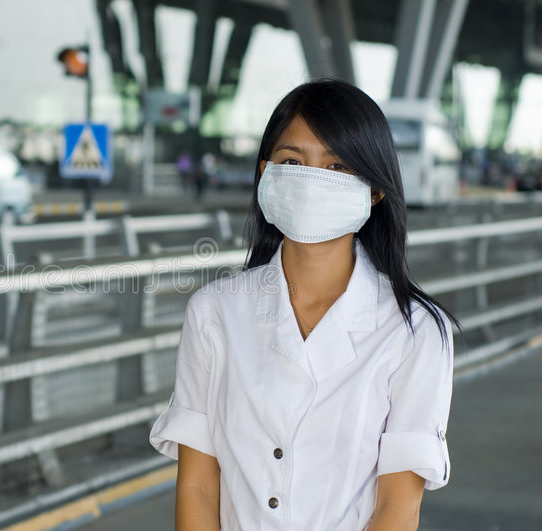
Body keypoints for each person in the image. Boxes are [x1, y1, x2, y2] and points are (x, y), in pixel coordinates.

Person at [149, 79, 458, 530]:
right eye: (292, 162)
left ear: (375, 190)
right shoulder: (214, 312)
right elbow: (197, 486)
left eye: (337, 167)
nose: (312, 181)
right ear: (266, 174)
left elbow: (397, 508)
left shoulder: (416, 331)